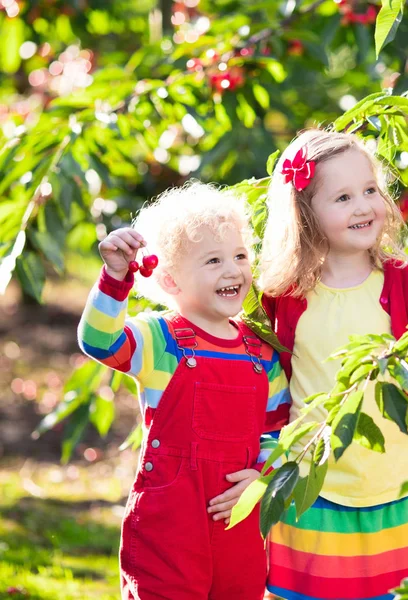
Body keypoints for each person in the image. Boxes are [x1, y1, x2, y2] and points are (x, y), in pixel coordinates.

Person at [260, 129, 408, 600]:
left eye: (370, 190)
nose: (363, 206)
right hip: (311, 479)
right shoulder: (283, 295)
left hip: (394, 474)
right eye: (344, 197)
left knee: (397, 591)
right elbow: (269, 382)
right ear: (305, 213)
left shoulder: (402, 281)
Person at [78, 182, 290, 600]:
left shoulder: (261, 353)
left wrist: (261, 477)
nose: (232, 270)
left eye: (240, 255)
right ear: (171, 280)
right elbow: (100, 341)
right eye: (213, 260)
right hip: (171, 523)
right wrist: (115, 277)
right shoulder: (159, 339)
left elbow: (279, 430)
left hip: (237, 517)